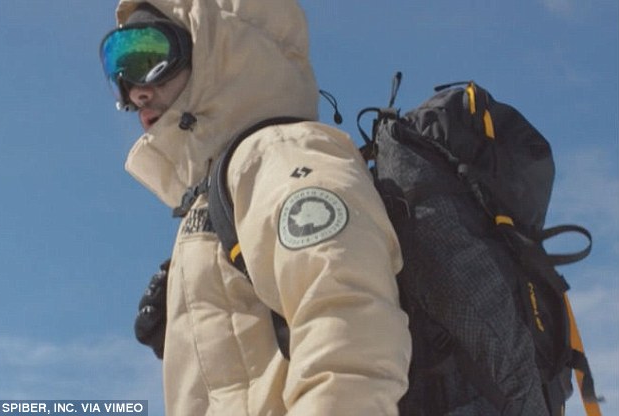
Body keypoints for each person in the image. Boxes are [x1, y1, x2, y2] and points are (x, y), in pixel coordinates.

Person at [99, 1, 411, 415]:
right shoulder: (219, 189)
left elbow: (351, 338)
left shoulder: (281, 154)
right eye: (119, 66)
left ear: (220, 47)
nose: (135, 91)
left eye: (152, 57)